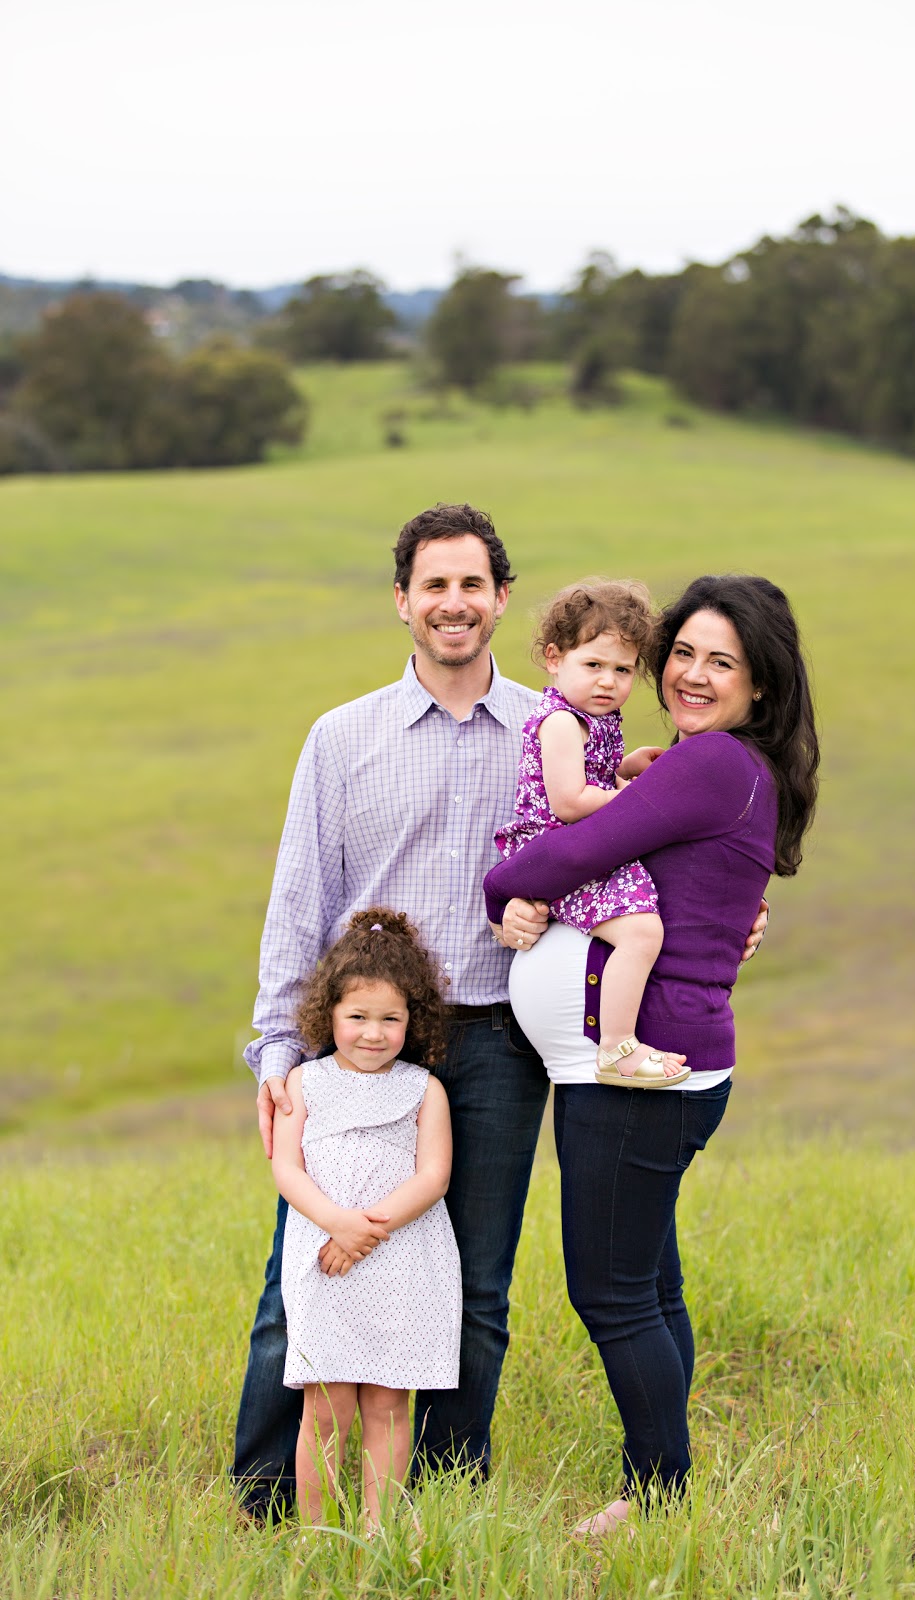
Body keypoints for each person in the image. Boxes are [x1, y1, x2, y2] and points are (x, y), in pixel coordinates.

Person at [232, 504, 768, 1518]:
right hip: (361, 1047)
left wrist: (738, 920)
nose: (453, 602)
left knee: (474, 1286)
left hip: (495, 1040)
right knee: (300, 1274)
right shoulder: (341, 738)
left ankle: (441, 1494)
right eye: (432, 585)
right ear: (401, 601)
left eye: (471, 584)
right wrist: (275, 1052)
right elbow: (298, 902)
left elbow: (653, 855)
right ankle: (263, 1499)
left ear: (502, 599)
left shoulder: (559, 723)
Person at [484, 574, 818, 1536]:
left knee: (612, 1292)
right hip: (651, 1069)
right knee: (649, 1285)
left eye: (723, 662)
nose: (693, 675)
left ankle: (658, 1499)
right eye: (683, 654)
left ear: (760, 683)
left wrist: (503, 888)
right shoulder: (714, 764)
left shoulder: (711, 763)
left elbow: (559, 855)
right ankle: (664, 1486)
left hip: (638, 1074)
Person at [272, 907, 461, 1530]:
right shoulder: (304, 1082)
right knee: (325, 1410)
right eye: (357, 1017)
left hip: (401, 1261)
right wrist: (338, 1224)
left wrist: (365, 1231)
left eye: (390, 1019)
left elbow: (433, 1177)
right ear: (329, 1014)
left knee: (387, 1405)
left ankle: (381, 1532)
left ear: (413, 1019)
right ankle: (317, 1533)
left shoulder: (424, 1089)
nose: (373, 1034)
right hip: (325, 1259)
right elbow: (287, 1169)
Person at [494, 579, 686, 1086]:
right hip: (559, 855)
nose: (608, 681)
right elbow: (570, 801)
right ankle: (618, 1048)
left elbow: (592, 778)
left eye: (622, 670)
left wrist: (625, 769)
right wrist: (638, 800)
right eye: (594, 665)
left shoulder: (594, 717)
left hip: (582, 846)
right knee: (642, 932)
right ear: (555, 658)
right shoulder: (561, 721)